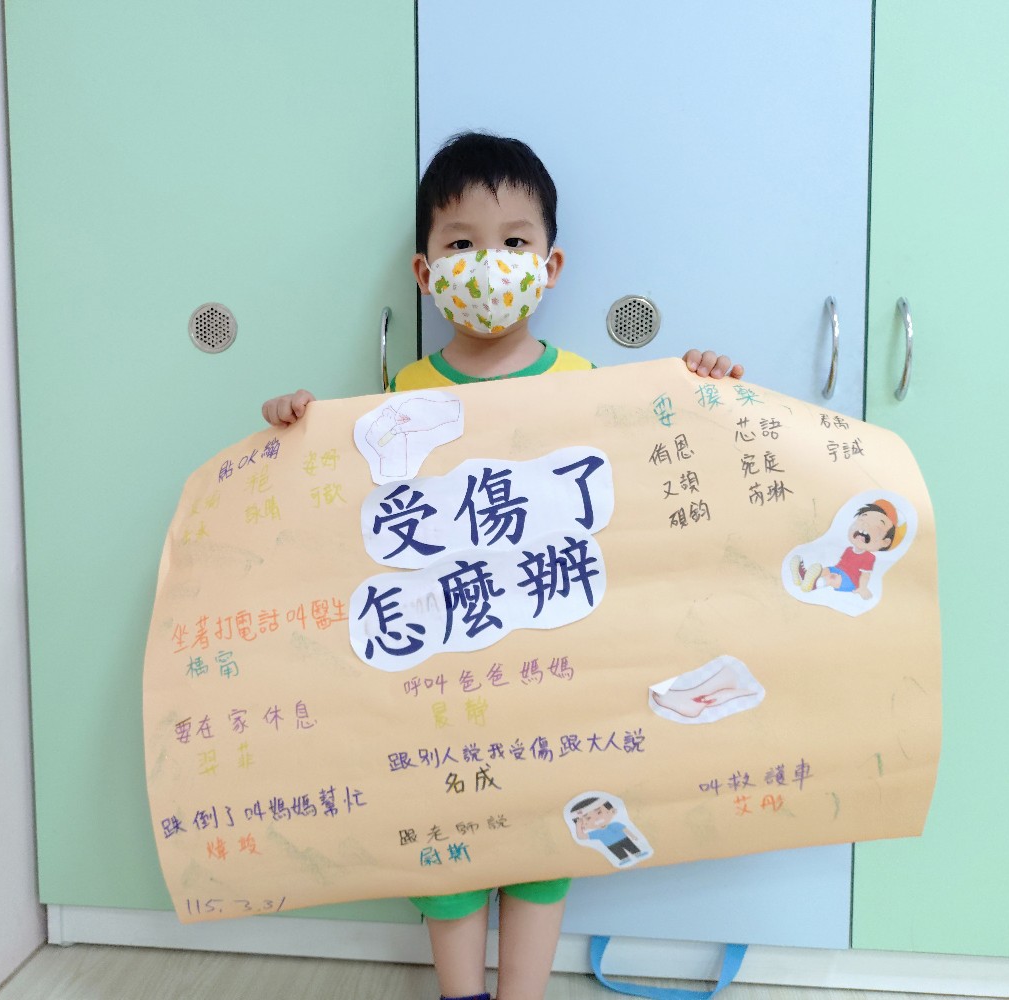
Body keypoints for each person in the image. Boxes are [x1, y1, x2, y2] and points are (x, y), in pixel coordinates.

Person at [261, 132, 745, 1000]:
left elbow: (649, 480)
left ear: (549, 266)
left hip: (551, 670)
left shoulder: (587, 384)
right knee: (443, 843)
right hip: (443, 675)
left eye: (514, 241)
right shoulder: (402, 396)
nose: (488, 263)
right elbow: (355, 510)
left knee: (544, 844)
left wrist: (699, 384)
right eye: (461, 243)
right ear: (425, 272)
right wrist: (300, 427)